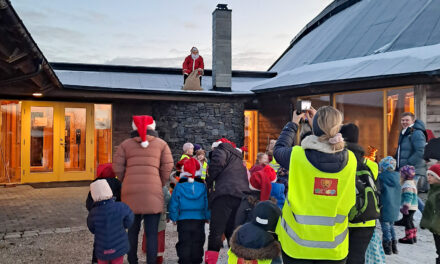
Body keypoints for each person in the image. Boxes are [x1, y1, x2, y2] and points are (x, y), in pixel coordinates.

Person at [274, 106, 357, 264]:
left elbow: (278, 150)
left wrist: (293, 123)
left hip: (297, 244)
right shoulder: (351, 159)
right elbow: (328, 148)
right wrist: (320, 129)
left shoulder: (297, 156)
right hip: (334, 247)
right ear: (338, 126)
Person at [112, 115, 174, 264]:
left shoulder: (125, 145)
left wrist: (126, 180)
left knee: (132, 231)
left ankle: (132, 260)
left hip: (130, 193)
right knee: (152, 232)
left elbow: (117, 167)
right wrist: (158, 182)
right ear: (153, 126)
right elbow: (168, 166)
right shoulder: (161, 144)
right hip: (152, 193)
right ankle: (151, 261)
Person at [205, 138, 251, 264]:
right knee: (233, 231)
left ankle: (211, 261)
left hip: (224, 195)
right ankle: (237, 261)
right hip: (240, 196)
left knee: (216, 231)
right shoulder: (237, 157)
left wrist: (208, 181)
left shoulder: (221, 149)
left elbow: (217, 163)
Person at [340, 123, 378, 264]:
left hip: (343, 219)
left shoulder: (339, 160)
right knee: (357, 258)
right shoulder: (371, 165)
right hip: (366, 219)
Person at [169, 158, 210, 264]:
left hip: (183, 219)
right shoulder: (202, 185)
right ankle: (196, 260)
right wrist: (207, 216)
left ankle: (184, 260)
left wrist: (174, 217)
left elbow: (174, 203)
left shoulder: (179, 185)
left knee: (184, 241)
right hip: (199, 218)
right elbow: (206, 202)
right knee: (198, 241)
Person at [87, 180, 134, 264]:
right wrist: (122, 226)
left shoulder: (93, 213)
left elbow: (92, 228)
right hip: (119, 247)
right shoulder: (121, 207)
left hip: (102, 248)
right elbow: (130, 219)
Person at [86, 164, 122, 264]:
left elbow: (89, 203)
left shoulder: (95, 185)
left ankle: (96, 260)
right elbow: (122, 200)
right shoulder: (118, 184)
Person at [395, 112, 427, 200]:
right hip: (407, 171)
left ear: (413, 121)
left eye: (407, 120)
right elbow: (400, 152)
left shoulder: (416, 133)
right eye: (402, 120)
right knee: (411, 197)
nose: (404, 122)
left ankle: (425, 212)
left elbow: (421, 151)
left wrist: (408, 164)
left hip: (413, 171)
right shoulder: (404, 133)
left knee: (410, 197)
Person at [141, 185, 171, 264]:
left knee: (149, 237)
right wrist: (168, 215)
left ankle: (150, 258)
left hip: (148, 217)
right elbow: (168, 200)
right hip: (161, 218)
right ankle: (158, 260)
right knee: (159, 240)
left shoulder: (146, 187)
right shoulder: (164, 188)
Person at [377, 156, 401, 255]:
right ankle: (394, 246)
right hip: (394, 207)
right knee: (391, 226)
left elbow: (378, 190)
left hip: (385, 206)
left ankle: (387, 247)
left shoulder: (381, 178)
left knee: (385, 228)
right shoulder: (398, 177)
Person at [421, 164, 440, 264]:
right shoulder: (433, 190)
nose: (428, 177)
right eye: (428, 175)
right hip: (435, 228)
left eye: (431, 175)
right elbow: (429, 208)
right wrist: (425, 222)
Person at [398, 165, 418, 244]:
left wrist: (406, 206)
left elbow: (408, 196)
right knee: (410, 221)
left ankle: (409, 238)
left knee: (407, 222)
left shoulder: (407, 184)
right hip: (413, 206)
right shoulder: (411, 182)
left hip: (409, 207)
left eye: (401, 174)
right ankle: (413, 236)